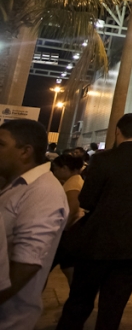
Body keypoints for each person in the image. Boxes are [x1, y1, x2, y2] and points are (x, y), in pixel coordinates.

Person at [57, 114, 132, 330]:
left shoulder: (103, 159)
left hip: (97, 244)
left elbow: (86, 200)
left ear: (117, 131)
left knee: (79, 302)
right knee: (113, 309)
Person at [0, 119, 68, 330]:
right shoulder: (15, 184)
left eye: (1, 144)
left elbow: (27, 263)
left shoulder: (43, 192)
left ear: (25, 151)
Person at [50, 153, 85, 283]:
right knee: (69, 266)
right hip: (72, 233)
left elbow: (73, 209)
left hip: (69, 233)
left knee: (46, 266)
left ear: (65, 168)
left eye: (56, 168)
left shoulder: (73, 183)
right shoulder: (74, 180)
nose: (55, 172)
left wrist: (62, 228)